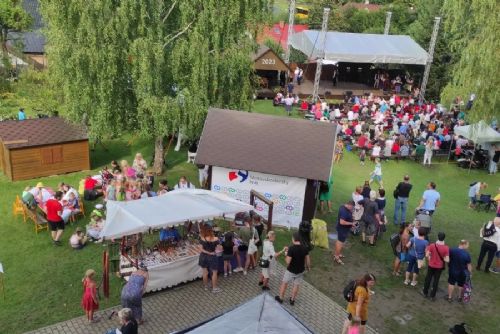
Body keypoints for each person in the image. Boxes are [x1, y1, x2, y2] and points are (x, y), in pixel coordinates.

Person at [275, 232, 311, 305]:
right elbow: (308, 259)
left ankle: (281, 298)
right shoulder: (305, 248)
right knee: (296, 285)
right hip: (300, 270)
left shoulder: (291, 249)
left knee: (284, 283)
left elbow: (287, 261)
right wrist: (308, 267)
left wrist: (286, 254)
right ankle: (292, 300)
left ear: (294, 239)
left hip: (291, 270)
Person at [422, 232, 449, 301]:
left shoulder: (432, 245)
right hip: (439, 267)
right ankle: (432, 296)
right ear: (444, 238)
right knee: (436, 280)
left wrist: (430, 257)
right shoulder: (446, 248)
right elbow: (447, 260)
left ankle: (425, 292)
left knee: (428, 278)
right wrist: (443, 258)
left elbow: (427, 255)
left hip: (431, 265)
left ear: (438, 237)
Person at [198, 224, 221, 293]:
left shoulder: (201, 238)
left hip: (203, 257)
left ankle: (206, 286)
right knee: (214, 273)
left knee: (204, 272)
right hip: (212, 257)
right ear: (211, 230)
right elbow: (219, 248)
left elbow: (201, 249)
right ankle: (214, 288)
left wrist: (207, 252)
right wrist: (211, 252)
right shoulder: (215, 239)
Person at [334, 200, 355, 265]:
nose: (352, 209)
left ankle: (337, 254)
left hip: (343, 229)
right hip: (342, 229)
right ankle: (337, 257)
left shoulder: (343, 206)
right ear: (349, 205)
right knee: (340, 243)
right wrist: (351, 223)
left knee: (339, 241)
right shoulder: (344, 211)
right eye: (352, 207)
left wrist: (351, 216)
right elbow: (342, 222)